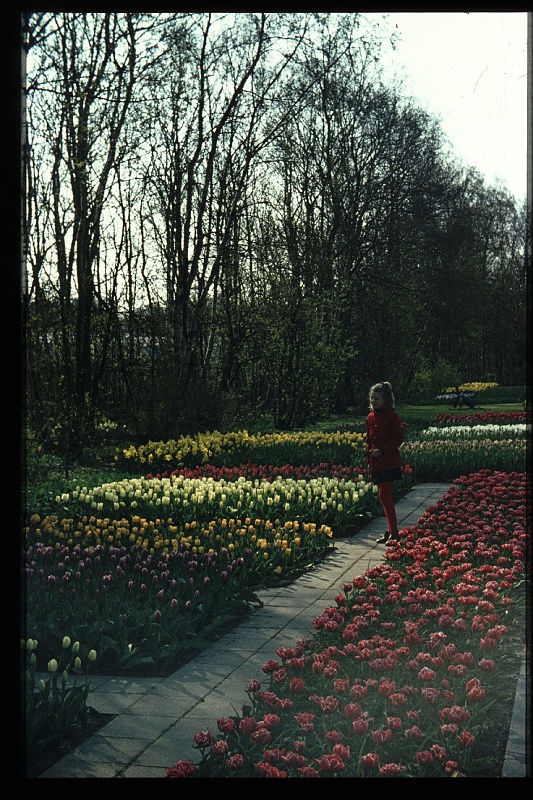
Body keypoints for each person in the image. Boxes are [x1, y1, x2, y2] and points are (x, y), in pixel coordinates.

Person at [365, 381, 404, 544]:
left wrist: (381, 451)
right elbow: (369, 438)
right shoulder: (370, 417)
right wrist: (368, 455)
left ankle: (395, 533)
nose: (374, 401)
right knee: (383, 497)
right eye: (372, 398)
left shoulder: (392, 416)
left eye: (377, 399)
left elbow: (398, 439)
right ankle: (390, 531)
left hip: (389, 462)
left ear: (386, 400)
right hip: (376, 463)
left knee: (384, 495)